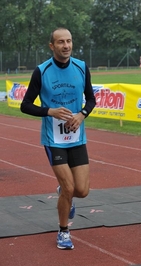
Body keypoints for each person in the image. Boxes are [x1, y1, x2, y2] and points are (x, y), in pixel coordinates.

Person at [20, 27, 96, 250]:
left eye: (69, 41)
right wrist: (49, 111)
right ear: (52, 46)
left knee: (81, 190)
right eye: (61, 42)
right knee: (69, 187)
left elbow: (91, 99)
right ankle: (64, 232)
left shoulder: (81, 67)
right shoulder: (42, 71)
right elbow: (25, 105)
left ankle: (64, 192)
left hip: (77, 137)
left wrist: (82, 114)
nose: (66, 46)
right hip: (54, 140)